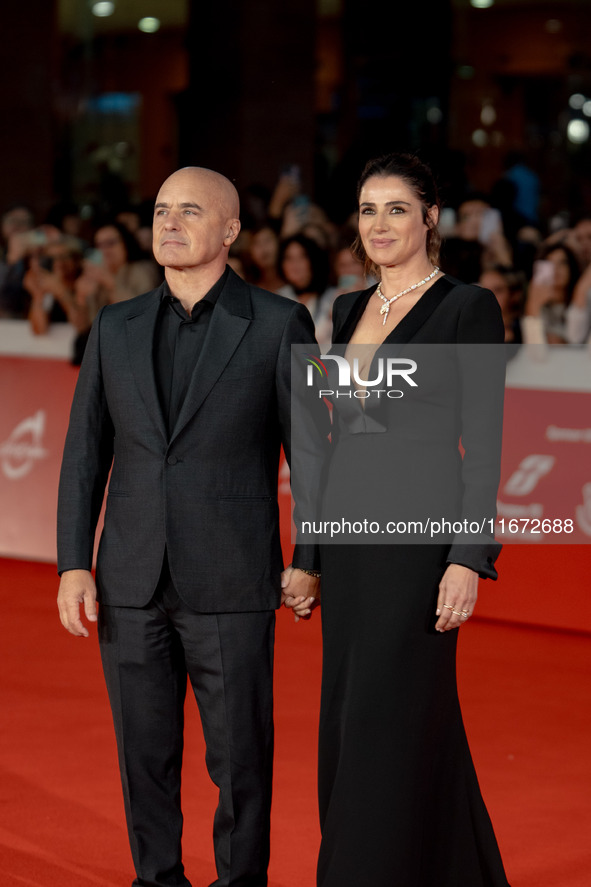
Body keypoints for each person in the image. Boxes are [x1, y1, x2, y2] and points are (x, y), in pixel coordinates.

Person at [56, 166, 326, 887]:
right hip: (130, 575)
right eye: (160, 210)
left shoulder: (277, 322)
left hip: (232, 577)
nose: (169, 223)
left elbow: (314, 453)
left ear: (231, 229)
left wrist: (309, 555)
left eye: (190, 211)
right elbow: (86, 451)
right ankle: (157, 877)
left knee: (238, 758)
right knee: (143, 754)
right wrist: (72, 563)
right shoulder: (114, 326)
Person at [285, 153, 511, 887]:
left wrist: (466, 557)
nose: (377, 224)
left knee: (389, 714)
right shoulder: (346, 310)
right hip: (349, 547)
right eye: (365, 209)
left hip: (417, 546)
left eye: (394, 208)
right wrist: (310, 554)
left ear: (429, 217)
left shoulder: (466, 307)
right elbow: (333, 440)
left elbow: (483, 444)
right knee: (358, 712)